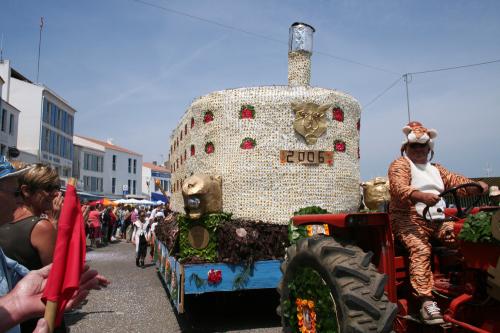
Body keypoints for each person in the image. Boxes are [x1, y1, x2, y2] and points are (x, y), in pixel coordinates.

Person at [388, 121, 488, 325]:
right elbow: (398, 188)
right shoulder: (401, 165)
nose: (418, 150)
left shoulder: (436, 169)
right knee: (420, 248)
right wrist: (420, 196)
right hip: (407, 219)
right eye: (413, 146)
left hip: (437, 219)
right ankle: (426, 301)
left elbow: (458, 182)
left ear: (429, 148)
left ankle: (478, 285)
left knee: (465, 235)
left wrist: (478, 186)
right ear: (406, 148)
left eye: (422, 146)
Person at [0, 157, 110, 333]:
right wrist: (68, 232)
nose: (55, 194)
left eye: (57, 188)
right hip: (38, 315)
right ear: (26, 191)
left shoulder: (7, 221)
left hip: (18, 314)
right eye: (48, 188)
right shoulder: (41, 226)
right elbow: (59, 275)